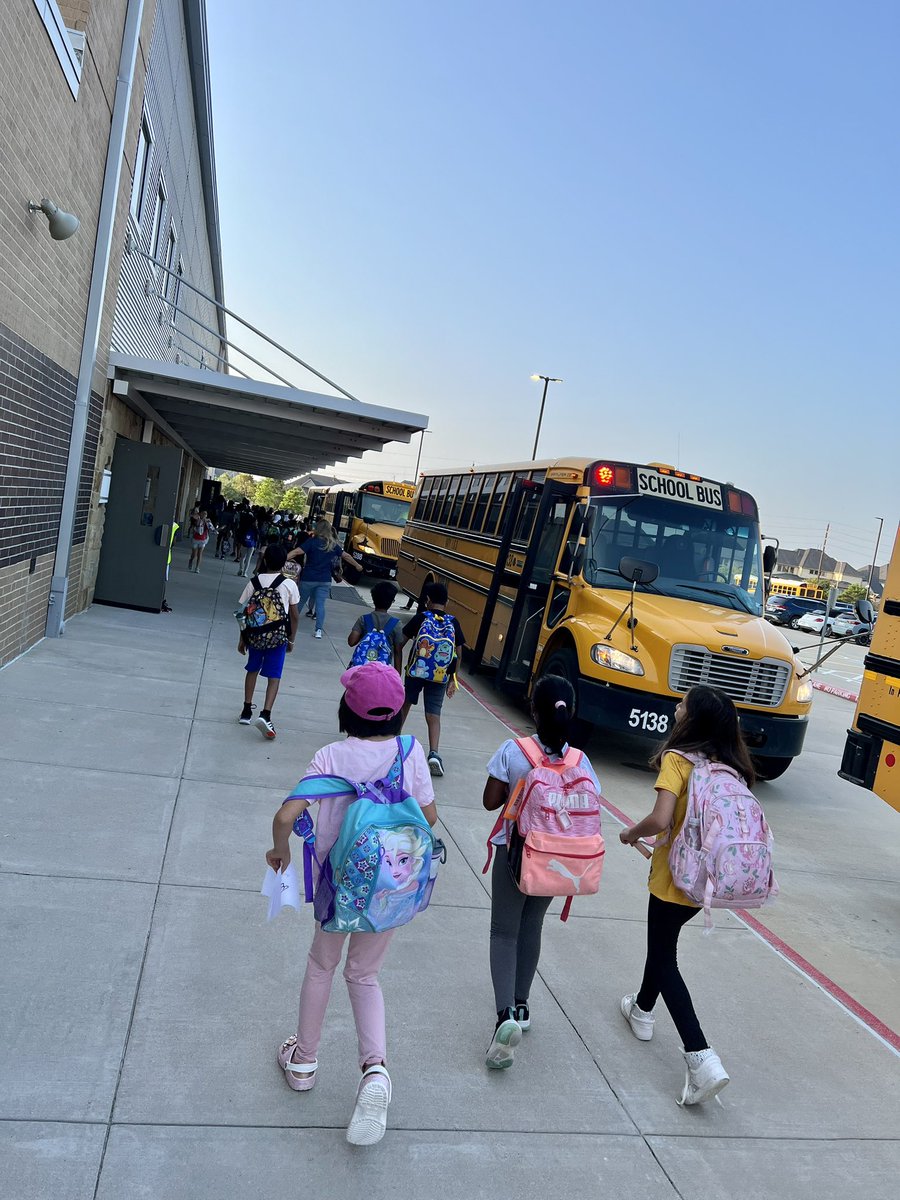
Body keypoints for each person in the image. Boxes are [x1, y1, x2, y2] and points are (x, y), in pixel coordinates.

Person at [266, 662, 437, 1146]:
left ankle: (303, 1061)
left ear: (348, 709)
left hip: (337, 888)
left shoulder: (331, 756)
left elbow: (286, 816)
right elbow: (431, 815)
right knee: (364, 974)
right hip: (388, 888)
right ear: (399, 712)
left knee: (322, 965)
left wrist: (279, 853)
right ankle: (375, 1070)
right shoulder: (410, 751)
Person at [618, 684, 753, 1106]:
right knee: (663, 946)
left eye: (682, 705)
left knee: (663, 957)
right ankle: (641, 1010)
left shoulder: (677, 760)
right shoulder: (727, 766)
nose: (677, 708)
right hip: (705, 883)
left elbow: (660, 818)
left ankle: (701, 1058)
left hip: (672, 878)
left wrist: (628, 833)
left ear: (691, 719)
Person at [481, 675, 602, 1069]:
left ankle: (503, 1019)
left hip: (517, 854)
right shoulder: (580, 760)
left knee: (504, 931)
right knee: (532, 925)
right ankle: (522, 1004)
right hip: (558, 859)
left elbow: (489, 801)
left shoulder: (514, 750)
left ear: (534, 710)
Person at [399, 582, 465, 777]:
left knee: (405, 705)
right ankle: (434, 754)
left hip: (416, 672)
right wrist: (453, 679)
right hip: (439, 675)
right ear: (447, 601)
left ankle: (392, 741)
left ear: (427, 600)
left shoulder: (421, 618)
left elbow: (401, 641)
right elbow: (459, 654)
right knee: (433, 715)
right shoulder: (453, 622)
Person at [237, 545, 300, 739]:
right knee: (274, 676)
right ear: (284, 564)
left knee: (252, 670)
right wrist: (291, 638)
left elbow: (244, 614)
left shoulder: (253, 582)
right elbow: (295, 616)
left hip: (255, 636)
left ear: (264, 561)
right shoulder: (289, 585)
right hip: (277, 637)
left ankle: (246, 710)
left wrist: (242, 639)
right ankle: (266, 713)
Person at [288, 518, 356, 640]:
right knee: (320, 605)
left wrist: (283, 559)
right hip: (325, 579)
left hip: (308, 577)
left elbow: (297, 552)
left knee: (299, 602)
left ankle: (290, 625)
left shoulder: (312, 542)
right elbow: (346, 556)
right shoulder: (333, 544)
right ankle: (318, 630)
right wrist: (358, 566)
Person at [347, 581, 404, 670]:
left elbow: (351, 641)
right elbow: (398, 652)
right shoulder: (396, 624)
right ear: (392, 601)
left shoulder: (363, 619)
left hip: (362, 671)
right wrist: (397, 676)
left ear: (373, 599)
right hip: (382, 673)